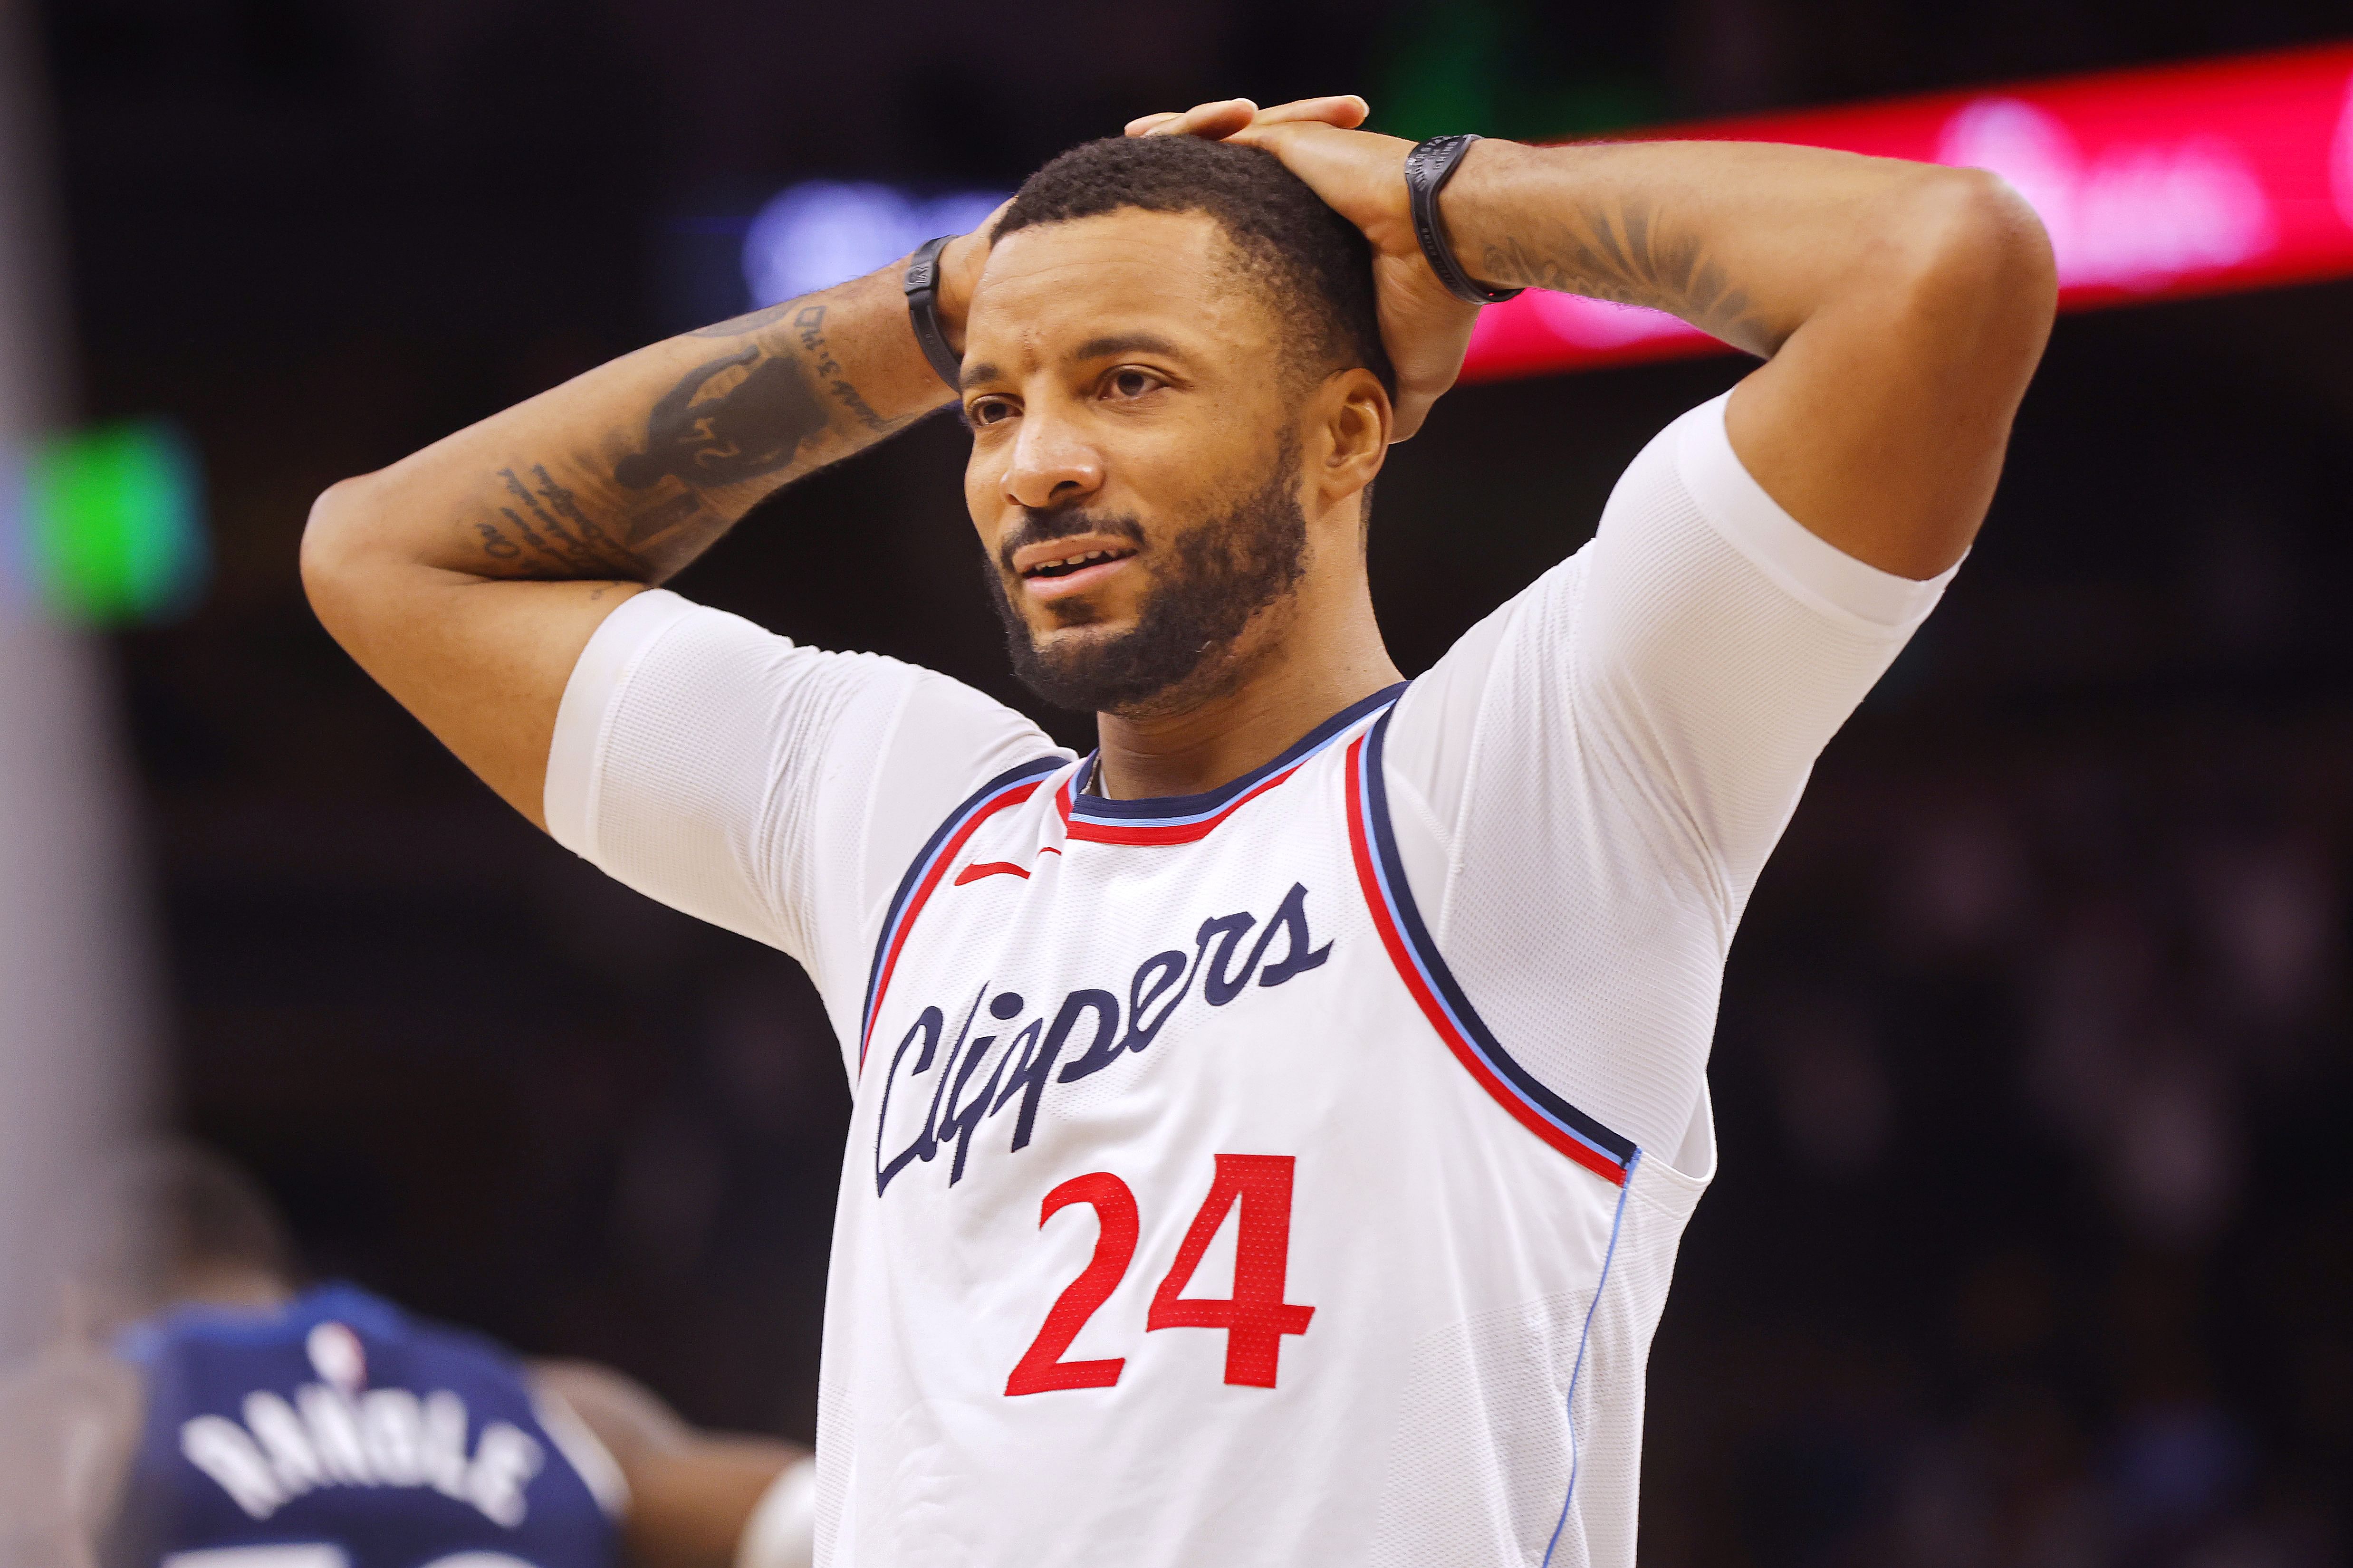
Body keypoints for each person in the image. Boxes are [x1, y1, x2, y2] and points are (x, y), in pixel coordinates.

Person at [298, 93, 2055, 1566]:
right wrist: (940, 304)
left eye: (1128, 381)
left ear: (1348, 430)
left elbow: (1943, 266)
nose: (1032, 462)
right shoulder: (904, 819)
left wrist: (1445, 212)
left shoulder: (1535, 781)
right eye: (997, 406)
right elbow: (385, 551)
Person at [0, 1145, 815, 1568]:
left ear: (80, 1311)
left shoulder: (91, 1407)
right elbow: (819, 1524)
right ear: (286, 1280)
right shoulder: (563, 1409)